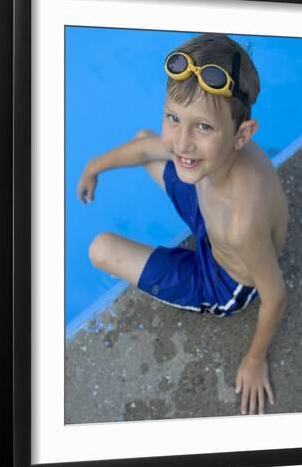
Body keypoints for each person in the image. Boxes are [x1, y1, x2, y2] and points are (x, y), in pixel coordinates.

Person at [77, 33, 289, 416]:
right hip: (211, 212)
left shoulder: (242, 222)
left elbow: (275, 296)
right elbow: (149, 147)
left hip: (222, 280)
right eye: (174, 118)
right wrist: (94, 167)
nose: (182, 141)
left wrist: (255, 360)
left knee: (100, 249)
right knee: (146, 142)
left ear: (243, 135)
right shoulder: (216, 155)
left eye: (203, 127)